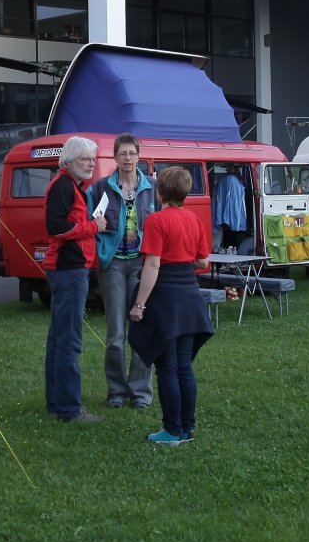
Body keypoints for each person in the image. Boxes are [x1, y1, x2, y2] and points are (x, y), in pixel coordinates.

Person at [127, 165, 213, 446]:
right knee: (184, 368)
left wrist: (139, 305)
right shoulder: (194, 219)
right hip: (189, 296)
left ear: (160, 191)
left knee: (167, 367)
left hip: (165, 297)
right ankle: (186, 429)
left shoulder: (156, 221)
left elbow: (153, 265)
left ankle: (172, 430)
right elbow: (202, 261)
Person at [90, 134, 157, 409]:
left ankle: (141, 393)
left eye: (132, 153)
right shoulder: (100, 188)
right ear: (115, 158)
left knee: (141, 330)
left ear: (139, 156)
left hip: (143, 266)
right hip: (114, 266)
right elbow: (87, 221)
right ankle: (116, 391)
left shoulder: (153, 187)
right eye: (123, 154)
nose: (127, 158)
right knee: (115, 333)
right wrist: (99, 242)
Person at [43, 135, 106, 424]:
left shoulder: (71, 185)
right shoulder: (64, 186)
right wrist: (93, 226)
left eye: (93, 159)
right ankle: (69, 409)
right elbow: (56, 227)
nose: (91, 164)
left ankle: (57, 403)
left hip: (69, 269)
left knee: (59, 338)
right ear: (69, 161)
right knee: (68, 340)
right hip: (69, 270)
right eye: (84, 159)